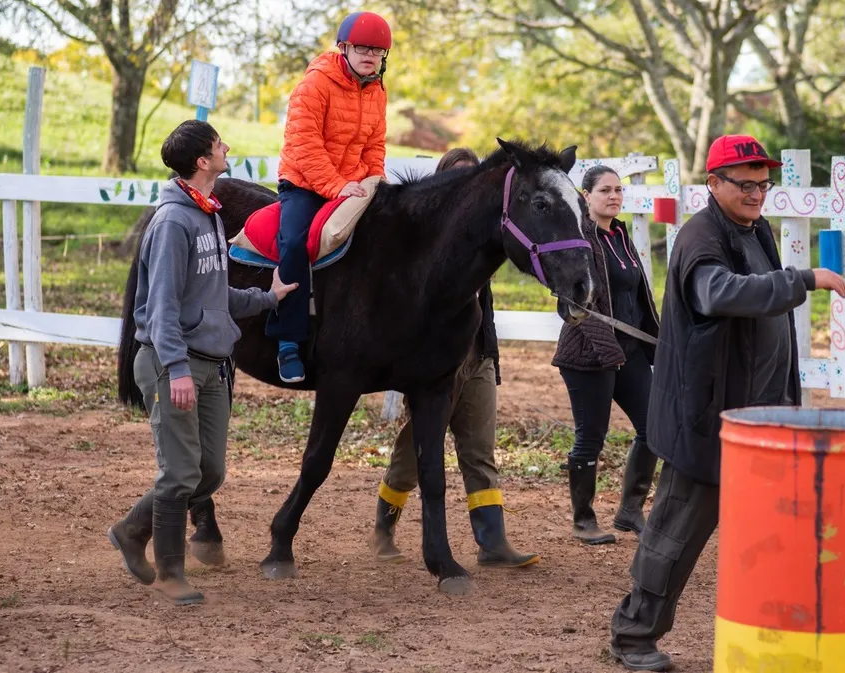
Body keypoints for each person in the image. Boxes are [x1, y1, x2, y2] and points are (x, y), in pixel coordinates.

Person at [608, 134, 845, 671]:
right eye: (745, 183)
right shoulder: (700, 238)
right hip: (708, 420)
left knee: (771, 532)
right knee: (674, 535)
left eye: (764, 184)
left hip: (761, 417)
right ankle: (632, 636)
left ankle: (769, 627)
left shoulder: (752, 228)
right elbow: (719, 293)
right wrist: (803, 278)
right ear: (713, 184)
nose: (757, 193)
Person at [107, 120, 297, 605]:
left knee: (209, 472)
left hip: (212, 362)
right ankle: (171, 571)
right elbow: (163, 307)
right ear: (202, 161)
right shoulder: (173, 224)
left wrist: (267, 298)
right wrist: (174, 369)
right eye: (218, 145)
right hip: (177, 362)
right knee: (179, 473)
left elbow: (214, 294)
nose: (226, 147)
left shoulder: (209, 214)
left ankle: (132, 529)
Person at [371, 148, 538, 568]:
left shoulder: (486, 241)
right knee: (412, 457)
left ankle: (492, 543)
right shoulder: (424, 250)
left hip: (478, 356)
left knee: (479, 452)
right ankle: (383, 524)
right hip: (431, 366)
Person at [267, 11, 392, 383]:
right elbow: (304, 146)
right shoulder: (314, 86)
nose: (370, 55)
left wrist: (375, 182)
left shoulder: (377, 91)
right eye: (363, 48)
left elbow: (375, 145)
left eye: (378, 50)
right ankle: (287, 341)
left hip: (351, 184)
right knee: (293, 243)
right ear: (344, 48)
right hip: (304, 182)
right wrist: (336, 186)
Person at [552, 166, 660, 545]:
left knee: (654, 429)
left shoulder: (620, 235)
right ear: (585, 196)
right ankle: (584, 520)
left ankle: (630, 511)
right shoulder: (576, 240)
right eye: (604, 190)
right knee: (590, 439)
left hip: (628, 352)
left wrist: (657, 347)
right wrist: (608, 348)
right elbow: (570, 306)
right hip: (587, 355)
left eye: (618, 190)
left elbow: (640, 297)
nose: (613, 196)